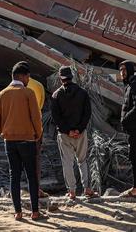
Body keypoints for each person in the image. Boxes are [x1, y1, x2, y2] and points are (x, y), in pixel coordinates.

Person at [0, 61, 47, 221]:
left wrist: (3, 133)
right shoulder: (28, 93)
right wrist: (38, 134)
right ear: (22, 76)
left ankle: (18, 212)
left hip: (9, 140)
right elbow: (36, 118)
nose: (28, 79)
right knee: (31, 175)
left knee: (14, 176)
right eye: (28, 77)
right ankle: (35, 212)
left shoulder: (1, 94)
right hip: (27, 139)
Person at [51, 65, 97, 199]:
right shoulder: (82, 93)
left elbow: (56, 117)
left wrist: (68, 131)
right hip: (81, 133)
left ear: (60, 79)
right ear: (72, 76)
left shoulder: (56, 95)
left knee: (67, 163)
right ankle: (87, 188)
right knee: (83, 161)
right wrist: (80, 129)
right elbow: (87, 113)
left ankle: (71, 192)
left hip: (65, 135)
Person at [118, 60, 136, 198]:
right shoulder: (130, 85)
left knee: (134, 156)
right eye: (120, 70)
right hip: (132, 127)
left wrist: (125, 119)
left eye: (124, 70)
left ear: (129, 70)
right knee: (134, 156)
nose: (122, 73)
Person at [25, 70, 49, 199]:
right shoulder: (38, 86)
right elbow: (40, 106)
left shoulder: (12, 88)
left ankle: (18, 193)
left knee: (18, 162)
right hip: (35, 126)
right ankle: (37, 189)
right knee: (36, 160)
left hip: (20, 127)